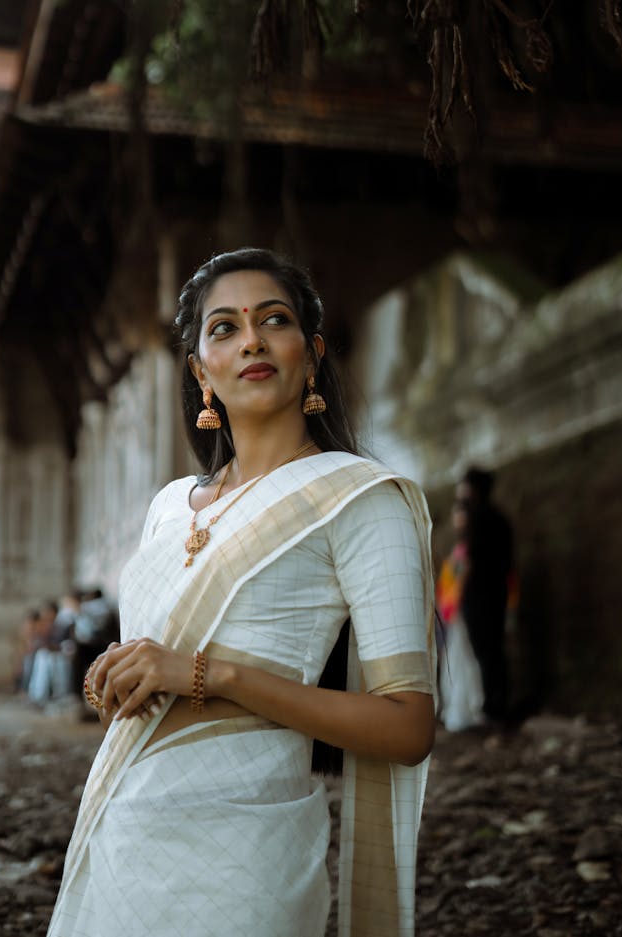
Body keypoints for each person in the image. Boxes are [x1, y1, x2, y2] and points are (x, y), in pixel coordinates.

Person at [47, 248, 437, 937]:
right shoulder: (170, 506)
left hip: (243, 852)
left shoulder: (360, 499)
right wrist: (120, 675)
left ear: (311, 355)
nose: (251, 339)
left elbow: (407, 726)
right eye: (223, 328)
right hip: (126, 828)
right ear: (201, 371)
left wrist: (210, 674)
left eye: (273, 320)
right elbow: (155, 669)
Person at [457, 467, 513, 723]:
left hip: (479, 596)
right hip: (498, 593)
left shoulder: (476, 519)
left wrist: (458, 589)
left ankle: (492, 707)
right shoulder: (502, 519)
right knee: (495, 649)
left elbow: (469, 562)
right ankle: (497, 703)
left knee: (483, 649)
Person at [436, 502, 485, 731]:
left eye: (459, 513)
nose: (455, 518)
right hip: (453, 612)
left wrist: (452, 607)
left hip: (460, 611)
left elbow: (459, 581)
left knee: (463, 660)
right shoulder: (460, 549)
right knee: (456, 662)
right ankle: (460, 708)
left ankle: (469, 708)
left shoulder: (469, 550)